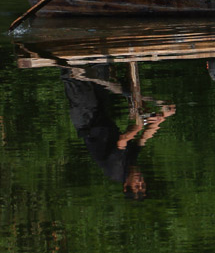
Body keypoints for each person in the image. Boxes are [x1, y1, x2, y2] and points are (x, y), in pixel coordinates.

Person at [61, 64, 176, 199]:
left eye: (137, 186)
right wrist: (161, 119)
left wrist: (142, 122)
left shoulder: (117, 170)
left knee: (74, 77)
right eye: (143, 185)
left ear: (126, 185)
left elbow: (122, 140)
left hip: (86, 118)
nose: (140, 181)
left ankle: (64, 58)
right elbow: (143, 139)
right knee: (99, 74)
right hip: (100, 116)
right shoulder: (131, 164)